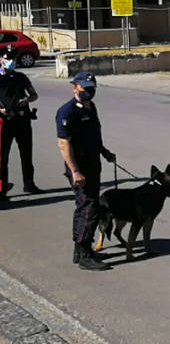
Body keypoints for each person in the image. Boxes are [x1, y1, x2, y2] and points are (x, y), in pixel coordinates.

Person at [56, 72, 117, 271]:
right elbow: (64, 144)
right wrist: (75, 171)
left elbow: (94, 136)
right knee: (90, 209)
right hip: (79, 168)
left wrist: (105, 152)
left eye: (92, 88)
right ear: (74, 87)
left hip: (93, 164)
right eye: (85, 88)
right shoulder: (67, 112)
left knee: (84, 207)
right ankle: (84, 254)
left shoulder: (91, 108)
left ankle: (80, 251)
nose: (89, 92)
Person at [0, 45, 42, 199]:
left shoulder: (21, 77)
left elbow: (34, 95)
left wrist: (27, 99)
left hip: (23, 120)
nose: (11, 61)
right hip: (4, 121)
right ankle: (2, 188)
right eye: (8, 58)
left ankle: (29, 184)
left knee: (26, 154)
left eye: (13, 58)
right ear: (1, 59)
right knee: (2, 157)